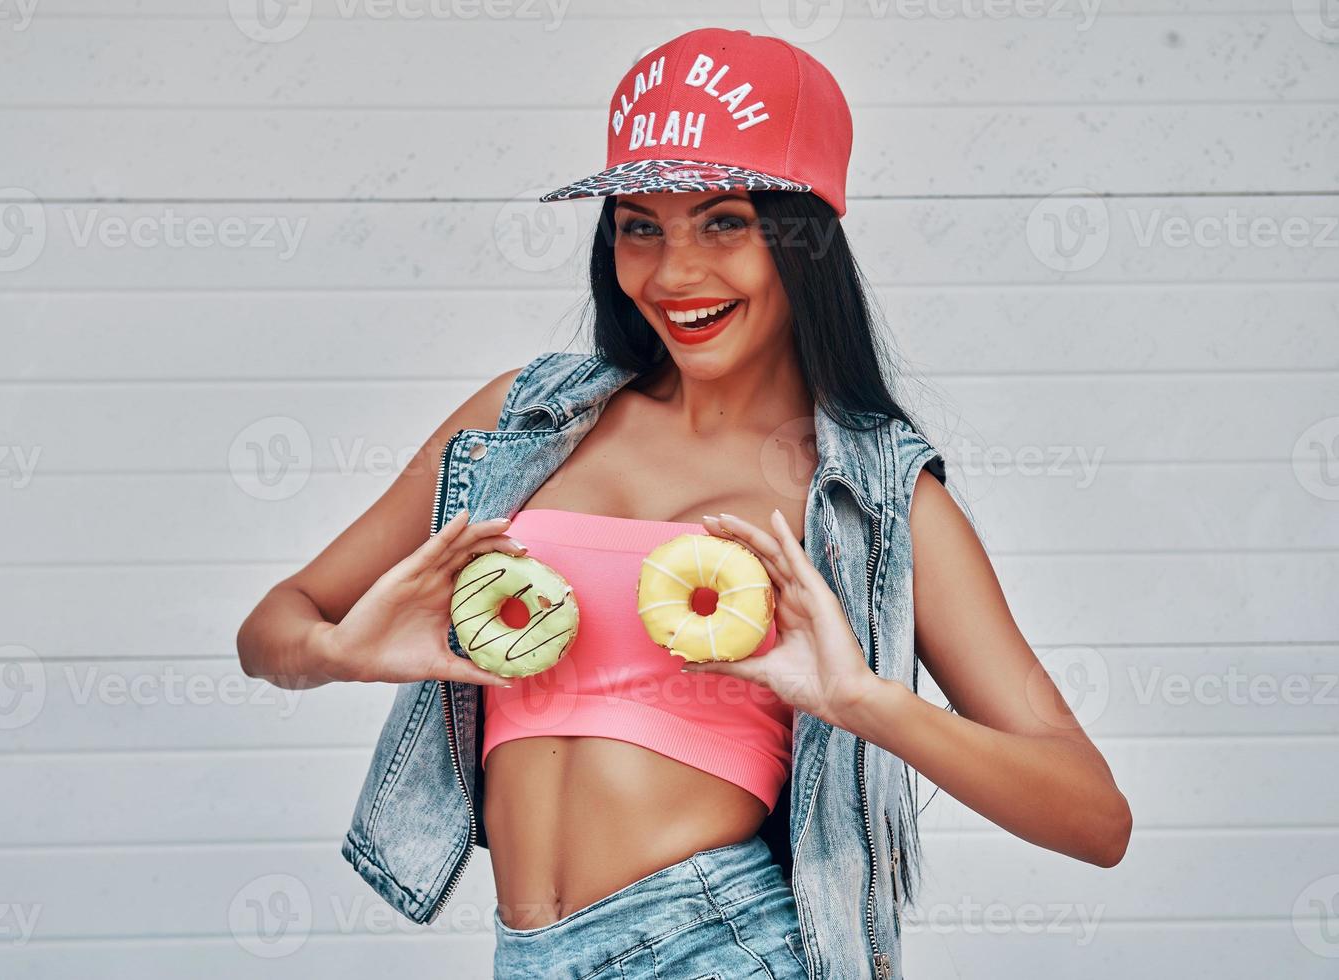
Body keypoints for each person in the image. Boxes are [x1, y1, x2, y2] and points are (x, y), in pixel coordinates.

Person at [236, 27, 1131, 980]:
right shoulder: (521, 419)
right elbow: (269, 632)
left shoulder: (873, 500)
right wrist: (338, 654)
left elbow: (1091, 815)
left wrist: (859, 700)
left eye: (723, 223)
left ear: (805, 239)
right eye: (639, 225)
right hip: (526, 954)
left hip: (716, 946)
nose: (672, 275)